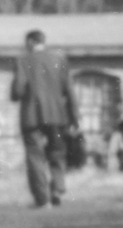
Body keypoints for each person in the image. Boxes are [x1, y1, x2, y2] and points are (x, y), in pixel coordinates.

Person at [9, 29, 80, 208]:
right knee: (57, 153)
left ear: (31, 42)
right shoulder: (60, 60)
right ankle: (57, 189)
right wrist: (75, 119)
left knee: (35, 157)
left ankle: (43, 199)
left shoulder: (23, 61)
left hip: (31, 118)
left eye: (26, 43)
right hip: (57, 116)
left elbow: (17, 91)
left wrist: (15, 92)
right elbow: (70, 91)